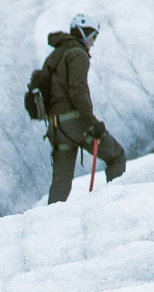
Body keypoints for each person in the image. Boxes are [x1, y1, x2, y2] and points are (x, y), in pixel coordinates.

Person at [41, 13, 126, 204]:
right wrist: (92, 123)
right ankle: (116, 206)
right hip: (74, 123)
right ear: (85, 33)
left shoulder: (56, 54)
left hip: (55, 127)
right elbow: (78, 92)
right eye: (93, 36)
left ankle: (47, 225)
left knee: (61, 182)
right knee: (116, 156)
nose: (93, 42)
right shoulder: (77, 54)